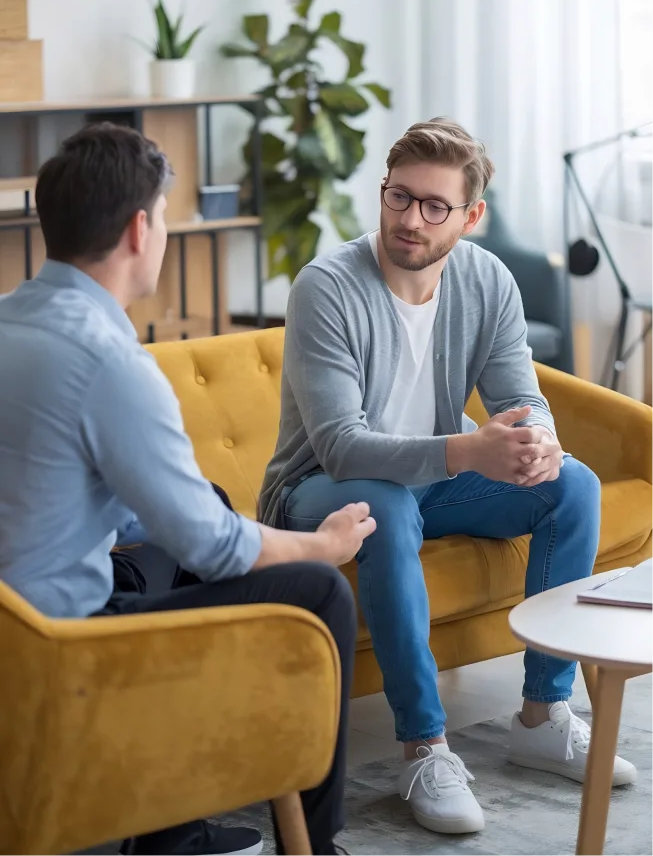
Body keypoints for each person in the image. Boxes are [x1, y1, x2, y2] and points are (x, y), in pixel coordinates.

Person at [0, 123, 374, 856]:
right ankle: (315, 847)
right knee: (317, 590)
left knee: (198, 502)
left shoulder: (11, 317)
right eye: (166, 217)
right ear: (141, 229)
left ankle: (172, 824)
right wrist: (322, 544)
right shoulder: (110, 360)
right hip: (56, 649)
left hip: (13, 615)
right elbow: (213, 544)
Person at [259, 116, 637, 837]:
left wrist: (537, 443)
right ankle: (423, 747)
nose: (410, 219)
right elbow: (340, 446)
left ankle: (541, 715)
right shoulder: (326, 287)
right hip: (321, 489)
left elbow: (517, 393)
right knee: (386, 510)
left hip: (425, 480)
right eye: (399, 197)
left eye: (435, 206)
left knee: (574, 486)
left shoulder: (484, 278)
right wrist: (469, 452)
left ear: (470, 216)